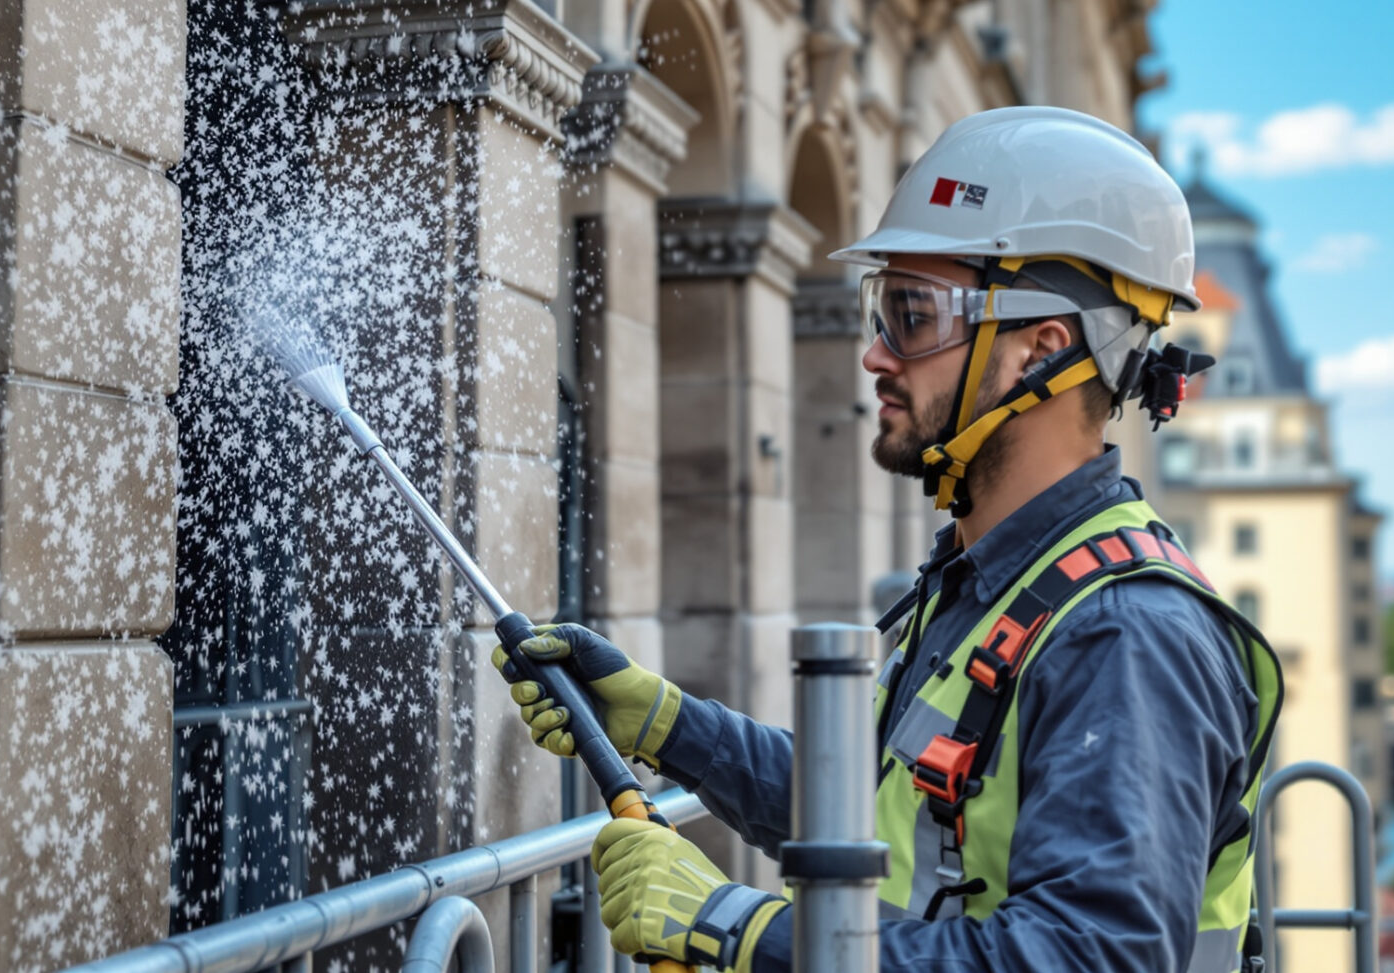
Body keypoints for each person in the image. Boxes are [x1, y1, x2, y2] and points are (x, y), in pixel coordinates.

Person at [495, 108, 1283, 973]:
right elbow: (880, 806)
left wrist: (738, 926)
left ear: (1040, 350)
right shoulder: (999, 583)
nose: (875, 355)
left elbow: (1085, 958)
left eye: (912, 315)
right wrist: (669, 725)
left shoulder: (1125, 633)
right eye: (883, 311)